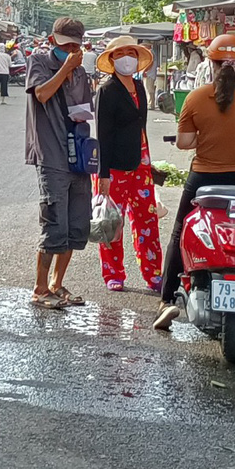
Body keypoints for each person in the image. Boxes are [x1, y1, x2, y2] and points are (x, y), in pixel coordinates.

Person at [154, 33, 235, 332]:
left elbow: (184, 143)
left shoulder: (196, 97)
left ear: (211, 64)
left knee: (179, 232)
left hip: (206, 179)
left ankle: (167, 301)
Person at [26, 16, 93, 310]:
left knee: (76, 226)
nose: (70, 50)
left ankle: (57, 283)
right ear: (54, 41)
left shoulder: (80, 75)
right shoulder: (39, 62)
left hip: (77, 156)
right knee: (54, 223)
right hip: (50, 153)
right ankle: (40, 289)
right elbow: (41, 94)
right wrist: (65, 69)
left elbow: (84, 113)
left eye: (75, 47)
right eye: (65, 45)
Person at [93, 36, 161, 293]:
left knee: (148, 221)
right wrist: (103, 174)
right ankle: (114, 274)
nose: (127, 58)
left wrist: (149, 163)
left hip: (140, 163)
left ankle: (154, 274)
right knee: (112, 222)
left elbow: (140, 128)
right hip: (113, 168)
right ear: (112, 59)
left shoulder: (139, 87)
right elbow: (103, 134)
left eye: (131, 53)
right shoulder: (107, 91)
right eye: (121, 53)